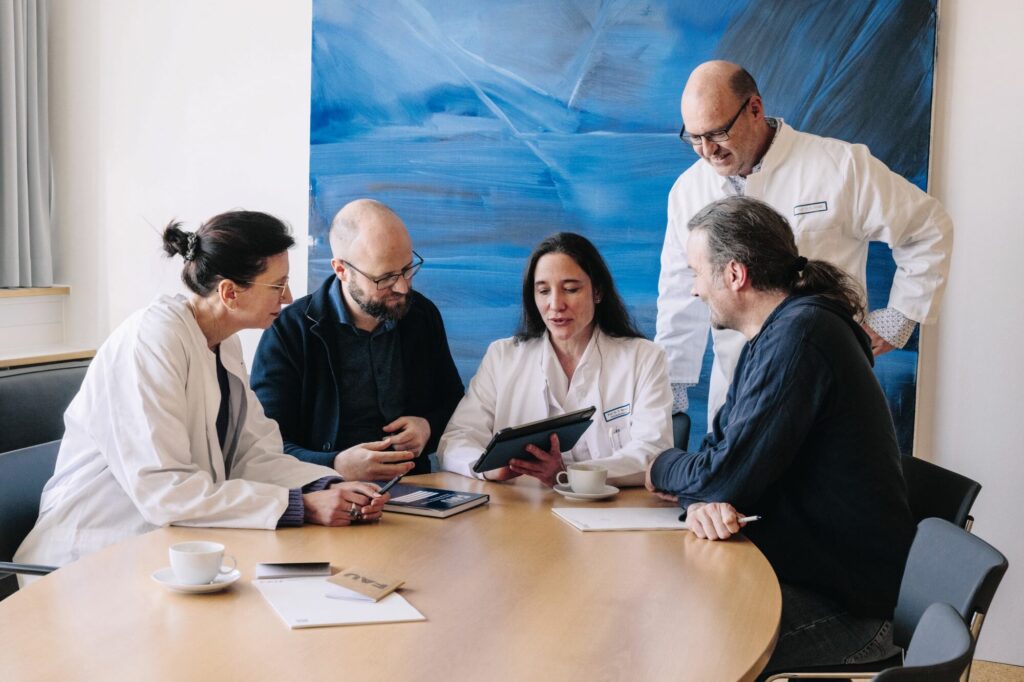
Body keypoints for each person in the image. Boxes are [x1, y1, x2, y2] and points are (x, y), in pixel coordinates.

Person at [15, 211, 388, 571]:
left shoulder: (222, 343)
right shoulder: (151, 340)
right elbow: (166, 491)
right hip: (88, 560)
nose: (288, 297)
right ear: (229, 292)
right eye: (277, 285)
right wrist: (302, 506)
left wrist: (331, 486)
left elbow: (254, 457)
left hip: (171, 550)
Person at [646, 196, 914, 674]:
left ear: (734, 274)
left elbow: (722, 475)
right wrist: (704, 498)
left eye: (697, 272)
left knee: (682, 651)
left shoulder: (800, 339)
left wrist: (660, 466)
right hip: (813, 576)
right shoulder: (776, 335)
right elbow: (721, 460)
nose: (693, 290)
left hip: (851, 611)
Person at [656, 60, 953, 422]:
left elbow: (928, 227)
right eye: (694, 137)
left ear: (754, 108)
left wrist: (898, 318)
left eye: (717, 133)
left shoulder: (841, 166)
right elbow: (678, 295)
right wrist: (671, 396)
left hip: (830, 386)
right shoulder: (688, 190)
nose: (707, 150)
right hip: (737, 396)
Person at [251, 199, 463, 481]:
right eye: (385, 278)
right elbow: (265, 448)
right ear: (341, 270)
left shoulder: (421, 314)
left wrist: (427, 427)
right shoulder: (288, 331)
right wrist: (335, 464)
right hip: (326, 498)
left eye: (407, 268)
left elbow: (455, 404)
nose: (402, 287)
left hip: (416, 489)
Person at [439, 232, 672, 487]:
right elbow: (456, 439)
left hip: (609, 513)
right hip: (519, 514)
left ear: (598, 291)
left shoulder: (645, 358)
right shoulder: (502, 357)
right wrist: (486, 469)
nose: (555, 304)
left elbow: (654, 452)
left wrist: (569, 473)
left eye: (571, 289)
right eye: (543, 291)